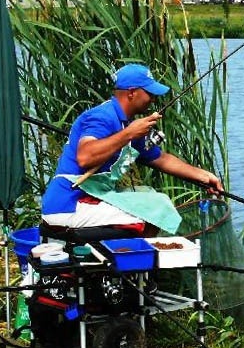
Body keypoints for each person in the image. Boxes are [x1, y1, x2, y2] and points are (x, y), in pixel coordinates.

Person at [41, 63, 223, 235]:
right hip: (68, 204)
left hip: (90, 200)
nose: (154, 98)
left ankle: (137, 264)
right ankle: (134, 264)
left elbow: (161, 159)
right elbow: (85, 157)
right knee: (148, 216)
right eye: (149, 92)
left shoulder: (129, 125)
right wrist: (129, 133)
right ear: (131, 93)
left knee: (157, 202)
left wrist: (204, 176)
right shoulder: (102, 117)